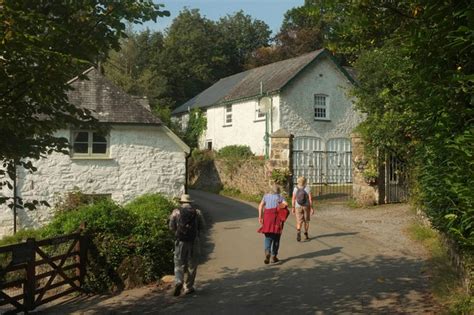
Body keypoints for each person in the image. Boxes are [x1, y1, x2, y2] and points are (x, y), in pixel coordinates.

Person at [169, 194, 205, 296]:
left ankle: (178, 281)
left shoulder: (175, 212)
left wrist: (178, 232)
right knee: (192, 264)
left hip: (180, 242)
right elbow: (203, 227)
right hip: (194, 241)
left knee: (178, 263)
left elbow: (171, 227)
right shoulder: (197, 212)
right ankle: (188, 287)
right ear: (190, 203)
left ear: (181, 202)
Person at [258, 184, 288, 264]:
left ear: (270, 190)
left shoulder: (266, 196)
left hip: (267, 218)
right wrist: (280, 205)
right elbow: (286, 204)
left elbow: (260, 206)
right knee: (276, 238)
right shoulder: (280, 197)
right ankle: (274, 256)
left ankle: (267, 252)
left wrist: (260, 217)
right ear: (278, 191)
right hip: (277, 219)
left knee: (268, 237)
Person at [292, 176, 313, 241]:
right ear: (305, 181)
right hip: (306, 206)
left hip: (297, 206)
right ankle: (306, 234)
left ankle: (298, 231)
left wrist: (293, 207)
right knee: (306, 221)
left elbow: (293, 199)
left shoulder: (295, 188)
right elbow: (310, 199)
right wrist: (312, 208)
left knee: (299, 221)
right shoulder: (307, 188)